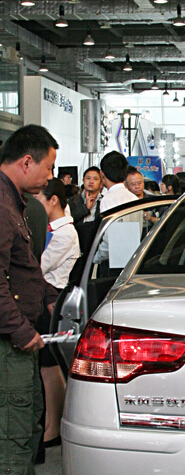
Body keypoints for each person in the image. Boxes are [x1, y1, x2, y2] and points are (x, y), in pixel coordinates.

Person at [0, 124, 60, 475]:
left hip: (21, 336)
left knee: (29, 417)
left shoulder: (14, 202)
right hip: (11, 341)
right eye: (49, 167)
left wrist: (51, 298)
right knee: (13, 429)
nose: (50, 176)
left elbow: (24, 271)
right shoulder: (2, 208)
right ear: (26, 161)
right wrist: (22, 332)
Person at [35, 178, 80, 450]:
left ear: (53, 200)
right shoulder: (51, 228)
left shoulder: (65, 233)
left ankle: (53, 429)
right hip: (44, 296)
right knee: (45, 366)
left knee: (49, 366)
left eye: (38, 200)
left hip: (53, 298)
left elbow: (39, 266)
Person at [71, 165, 102, 254]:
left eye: (95, 179)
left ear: (101, 183)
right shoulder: (73, 200)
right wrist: (86, 208)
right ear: (83, 180)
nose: (91, 181)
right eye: (88, 178)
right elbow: (70, 218)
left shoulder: (104, 201)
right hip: (77, 244)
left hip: (96, 244)